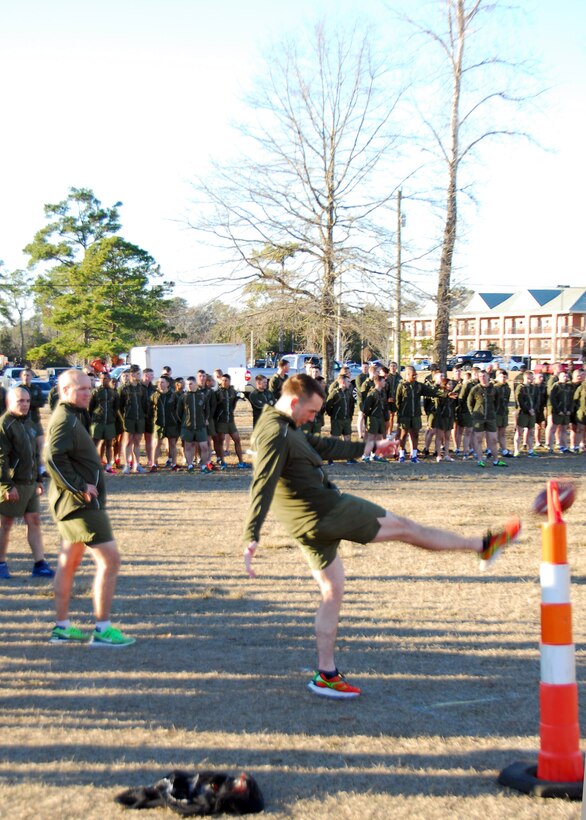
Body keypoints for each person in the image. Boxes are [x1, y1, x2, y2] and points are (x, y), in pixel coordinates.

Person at [242, 374, 520, 699]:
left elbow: (322, 445)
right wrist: (252, 535)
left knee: (332, 592)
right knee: (406, 528)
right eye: (313, 412)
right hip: (326, 511)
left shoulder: (283, 424)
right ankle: (483, 546)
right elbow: (262, 483)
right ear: (293, 402)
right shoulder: (275, 432)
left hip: (305, 524)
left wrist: (370, 446)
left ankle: (326, 674)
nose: (313, 418)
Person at [45, 369, 135, 646]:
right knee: (110, 560)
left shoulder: (73, 416)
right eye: (82, 388)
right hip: (79, 505)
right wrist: (80, 487)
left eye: (89, 387)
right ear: (65, 391)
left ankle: (61, 627)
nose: (88, 393)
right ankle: (103, 630)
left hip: (74, 504)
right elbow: (52, 457)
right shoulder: (64, 419)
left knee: (68, 563)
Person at [0, 387, 54, 579]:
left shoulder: (29, 423)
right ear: (9, 403)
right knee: (5, 524)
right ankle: (1, 563)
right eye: (19, 401)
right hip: (13, 484)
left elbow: (34, 454)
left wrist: (39, 479)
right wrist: (6, 485)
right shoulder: (5, 424)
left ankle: (40, 564)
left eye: (27, 401)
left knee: (34, 521)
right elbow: (1, 458)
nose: (24, 404)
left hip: (30, 482)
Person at [89, 371, 119, 473]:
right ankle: (94, 464)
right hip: (97, 422)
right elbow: (90, 408)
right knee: (95, 443)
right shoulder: (95, 392)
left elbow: (116, 408)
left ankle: (109, 464)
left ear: (109, 379)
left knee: (109, 444)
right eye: (101, 378)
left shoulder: (113, 393)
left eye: (105, 378)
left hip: (109, 422)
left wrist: (112, 417)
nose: (103, 380)